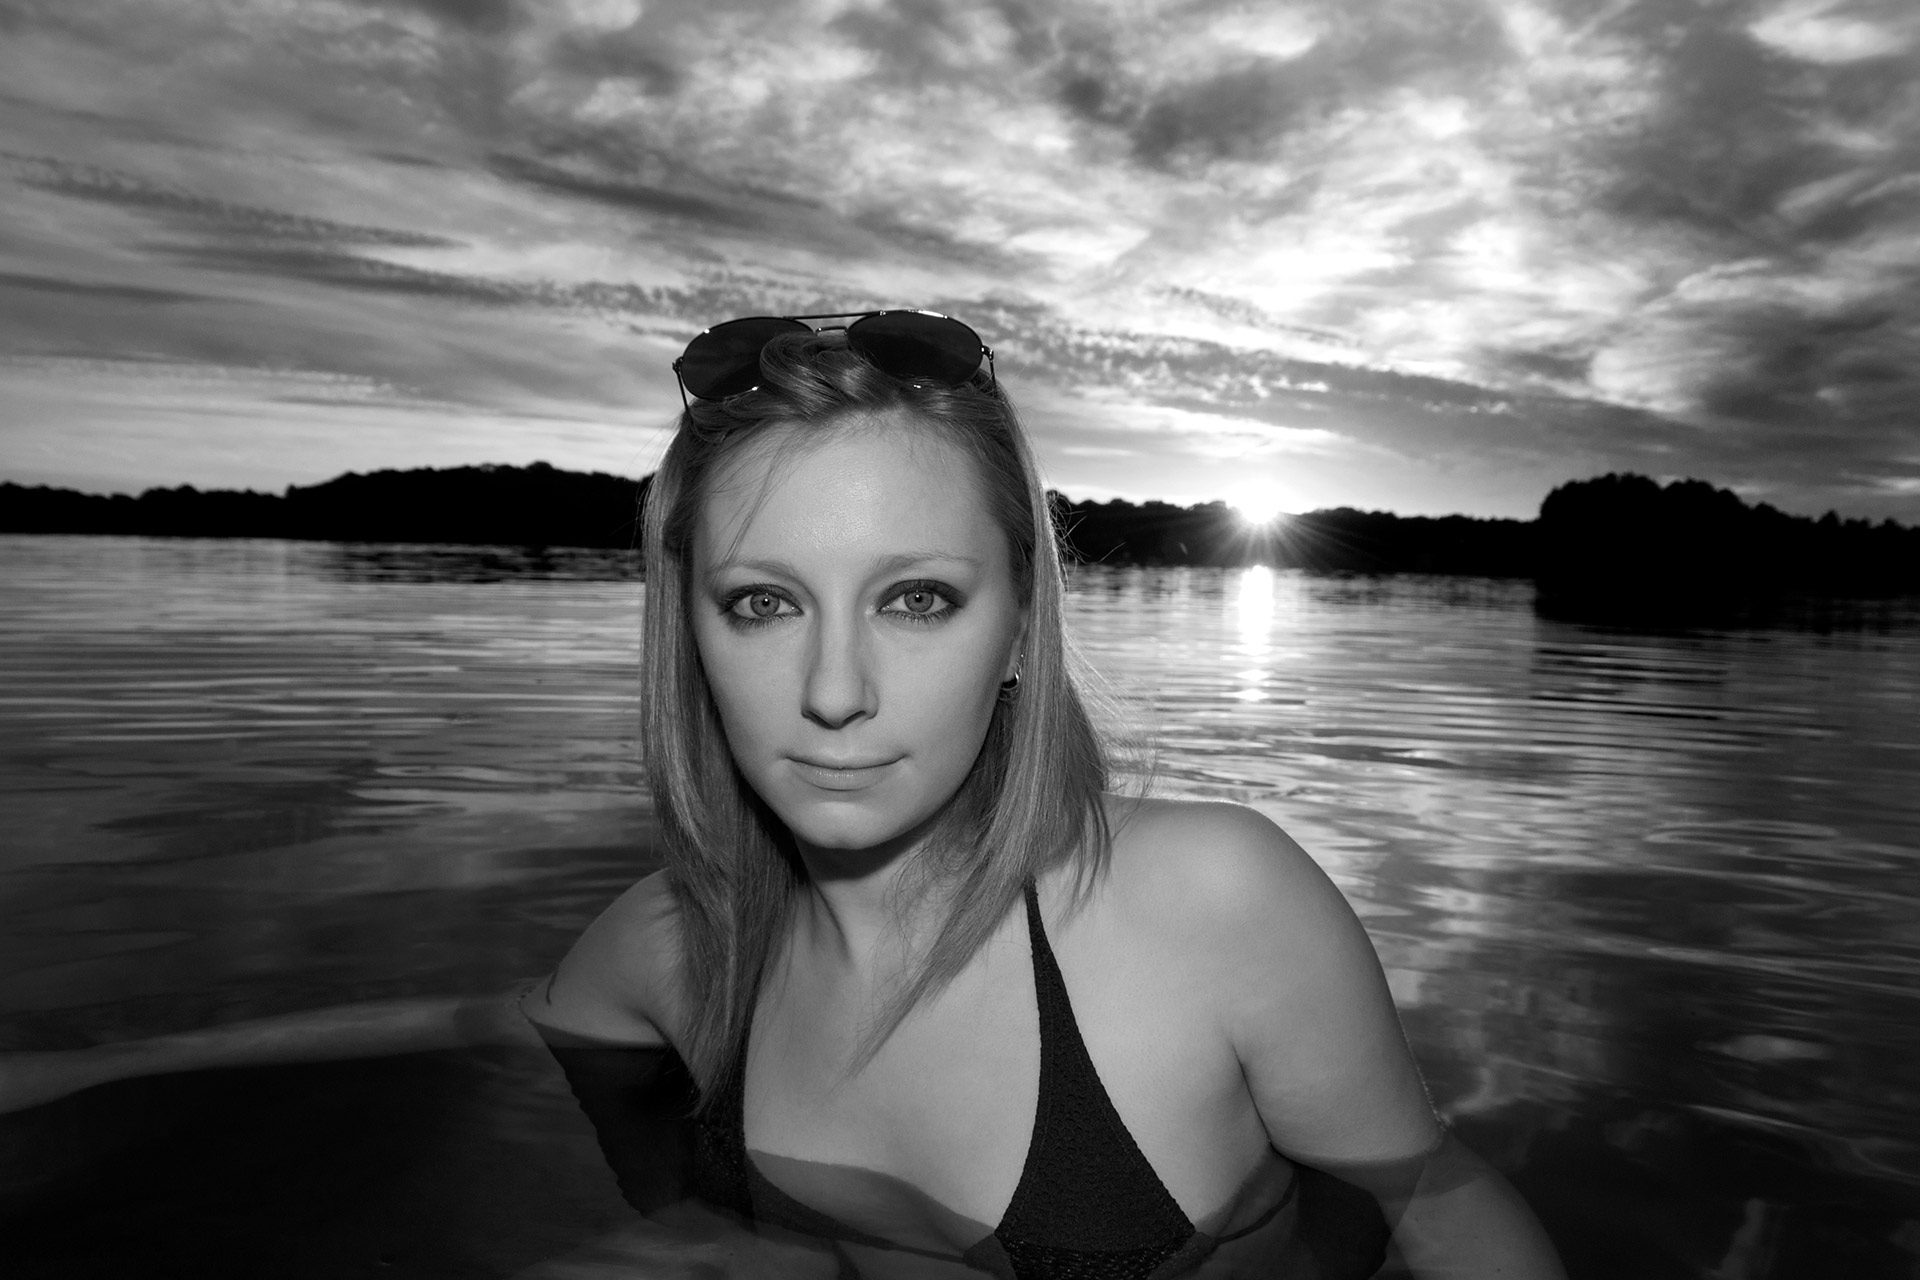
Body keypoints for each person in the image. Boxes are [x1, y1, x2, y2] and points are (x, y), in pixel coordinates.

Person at [518, 310, 1567, 1278]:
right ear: (690, 631)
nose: (834, 692)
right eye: (762, 602)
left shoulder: (1211, 904)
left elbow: (1434, 1197)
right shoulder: (667, 946)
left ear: (1021, 626)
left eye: (916, 598)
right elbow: (498, 1069)